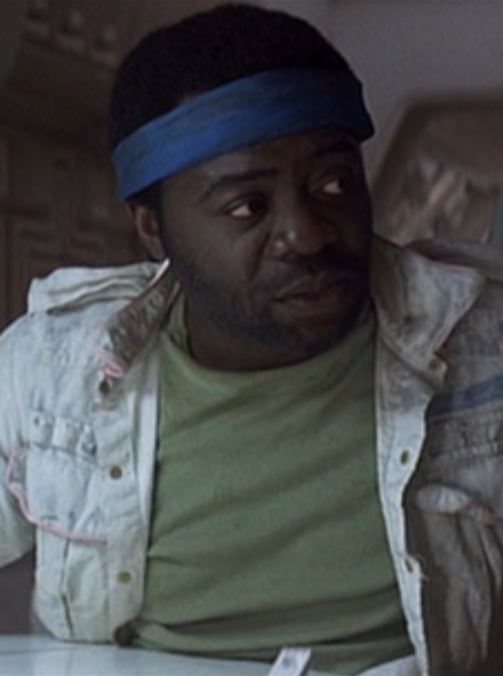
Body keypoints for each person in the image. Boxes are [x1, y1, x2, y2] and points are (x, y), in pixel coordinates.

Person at [1, 3, 503, 675]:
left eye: (333, 183)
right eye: (247, 206)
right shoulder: (50, 370)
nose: (307, 234)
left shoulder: (483, 346)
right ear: (152, 229)